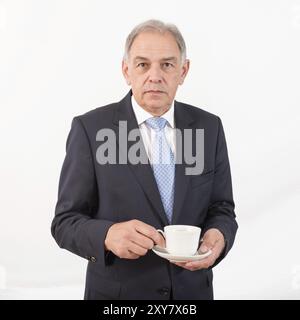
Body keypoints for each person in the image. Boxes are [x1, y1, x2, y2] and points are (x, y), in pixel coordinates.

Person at [51, 19, 238, 300]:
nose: (155, 76)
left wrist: (218, 237)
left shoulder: (209, 128)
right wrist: (106, 235)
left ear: (183, 71)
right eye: (142, 64)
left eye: (167, 64)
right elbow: (64, 222)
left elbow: (222, 208)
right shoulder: (91, 130)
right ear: (126, 70)